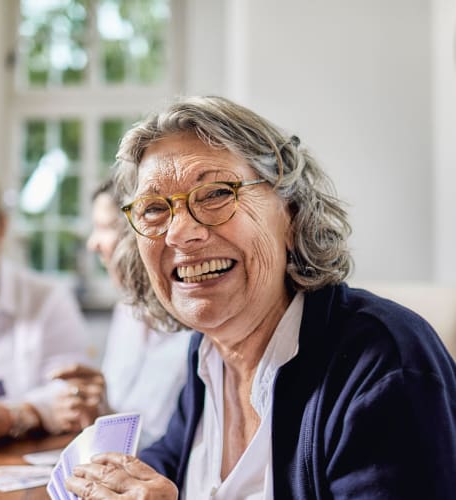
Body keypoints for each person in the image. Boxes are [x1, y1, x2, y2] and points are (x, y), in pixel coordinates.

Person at [65, 96, 456, 499]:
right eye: (153, 209)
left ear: (291, 212)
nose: (180, 233)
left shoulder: (383, 364)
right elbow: (172, 463)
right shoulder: (208, 353)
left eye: (216, 193)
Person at [50, 179, 191, 450]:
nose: (93, 244)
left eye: (104, 228)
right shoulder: (126, 311)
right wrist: (95, 412)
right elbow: (120, 420)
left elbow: (181, 451)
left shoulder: (199, 328)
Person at [0, 156, 88, 445]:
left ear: (1, 227)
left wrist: (15, 415)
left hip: (21, 463)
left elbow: (73, 394)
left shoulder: (47, 299)